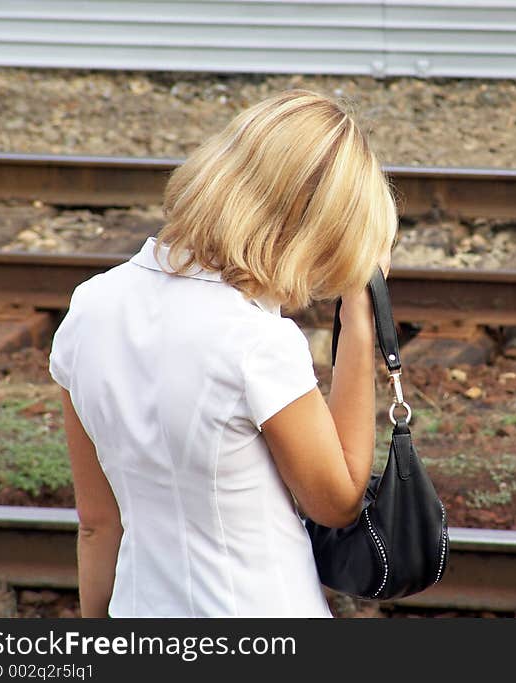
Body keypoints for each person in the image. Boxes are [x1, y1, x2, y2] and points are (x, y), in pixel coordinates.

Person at [49, 90, 398, 618]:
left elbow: (99, 523)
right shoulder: (256, 343)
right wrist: (360, 321)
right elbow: (339, 500)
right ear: (308, 232)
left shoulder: (90, 306)